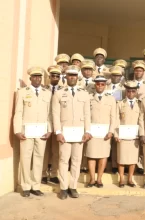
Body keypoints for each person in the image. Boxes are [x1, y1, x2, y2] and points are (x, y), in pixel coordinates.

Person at [52, 65, 92, 200]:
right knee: (63, 160)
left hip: (79, 133)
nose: (72, 78)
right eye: (70, 75)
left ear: (77, 77)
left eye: (74, 75)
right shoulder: (59, 93)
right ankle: (63, 188)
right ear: (66, 77)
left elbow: (87, 114)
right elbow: (55, 114)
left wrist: (87, 131)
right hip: (65, 132)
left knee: (76, 160)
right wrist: (58, 132)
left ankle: (73, 186)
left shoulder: (84, 93)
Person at [14, 66, 52, 197]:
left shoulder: (47, 93)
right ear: (30, 78)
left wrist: (49, 129)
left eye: (39, 77)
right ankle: (25, 186)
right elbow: (18, 112)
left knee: (39, 158)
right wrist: (17, 130)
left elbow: (49, 114)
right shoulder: (22, 92)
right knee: (25, 158)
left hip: (41, 131)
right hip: (27, 131)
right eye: (35, 76)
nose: (37, 79)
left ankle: (36, 186)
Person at [85, 75, 116, 188]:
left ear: (105, 86)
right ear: (95, 85)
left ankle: (99, 179)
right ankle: (92, 179)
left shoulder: (111, 99)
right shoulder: (89, 98)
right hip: (92, 131)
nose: (100, 86)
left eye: (102, 84)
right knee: (91, 155)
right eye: (98, 84)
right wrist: (87, 130)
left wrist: (111, 131)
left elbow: (113, 117)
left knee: (103, 155)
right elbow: (86, 115)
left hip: (105, 132)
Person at [115, 81, 142, 188]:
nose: (130, 93)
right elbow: (116, 119)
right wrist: (116, 134)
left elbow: (141, 120)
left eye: (133, 91)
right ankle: (121, 179)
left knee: (133, 158)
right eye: (128, 91)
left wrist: (141, 134)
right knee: (121, 157)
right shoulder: (120, 103)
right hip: (122, 135)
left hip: (134, 136)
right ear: (126, 91)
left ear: (136, 92)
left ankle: (130, 178)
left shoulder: (140, 104)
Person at [41, 65, 62, 185]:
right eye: (53, 75)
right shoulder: (44, 89)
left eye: (57, 76)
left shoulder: (62, 90)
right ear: (49, 77)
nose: (55, 77)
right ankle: (43, 174)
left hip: (57, 124)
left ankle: (54, 173)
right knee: (44, 151)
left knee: (56, 151)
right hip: (45, 123)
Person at [106, 65, 126, 174]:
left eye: (118, 76)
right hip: (107, 115)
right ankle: (110, 162)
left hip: (119, 116)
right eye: (114, 75)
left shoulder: (123, 89)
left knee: (117, 142)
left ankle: (116, 165)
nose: (116, 78)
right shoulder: (106, 87)